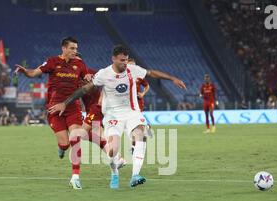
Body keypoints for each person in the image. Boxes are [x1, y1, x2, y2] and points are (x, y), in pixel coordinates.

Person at [49, 44, 186, 189]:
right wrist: (65, 103)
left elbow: (152, 73)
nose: (124, 63)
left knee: (140, 134)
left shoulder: (132, 70)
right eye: (121, 60)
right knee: (112, 149)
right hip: (112, 116)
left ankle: (135, 175)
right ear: (113, 59)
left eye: (126, 60)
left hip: (132, 112)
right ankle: (114, 172)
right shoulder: (104, 74)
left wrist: (172, 78)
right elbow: (84, 89)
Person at [15, 37, 92, 190]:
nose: (75, 51)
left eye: (76, 49)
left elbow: (87, 79)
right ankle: (61, 148)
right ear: (63, 48)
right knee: (65, 143)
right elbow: (34, 73)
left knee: (76, 137)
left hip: (72, 107)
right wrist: (25, 72)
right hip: (54, 109)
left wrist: (88, 78)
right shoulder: (52, 62)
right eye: (72, 48)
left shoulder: (80, 64)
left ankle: (75, 177)